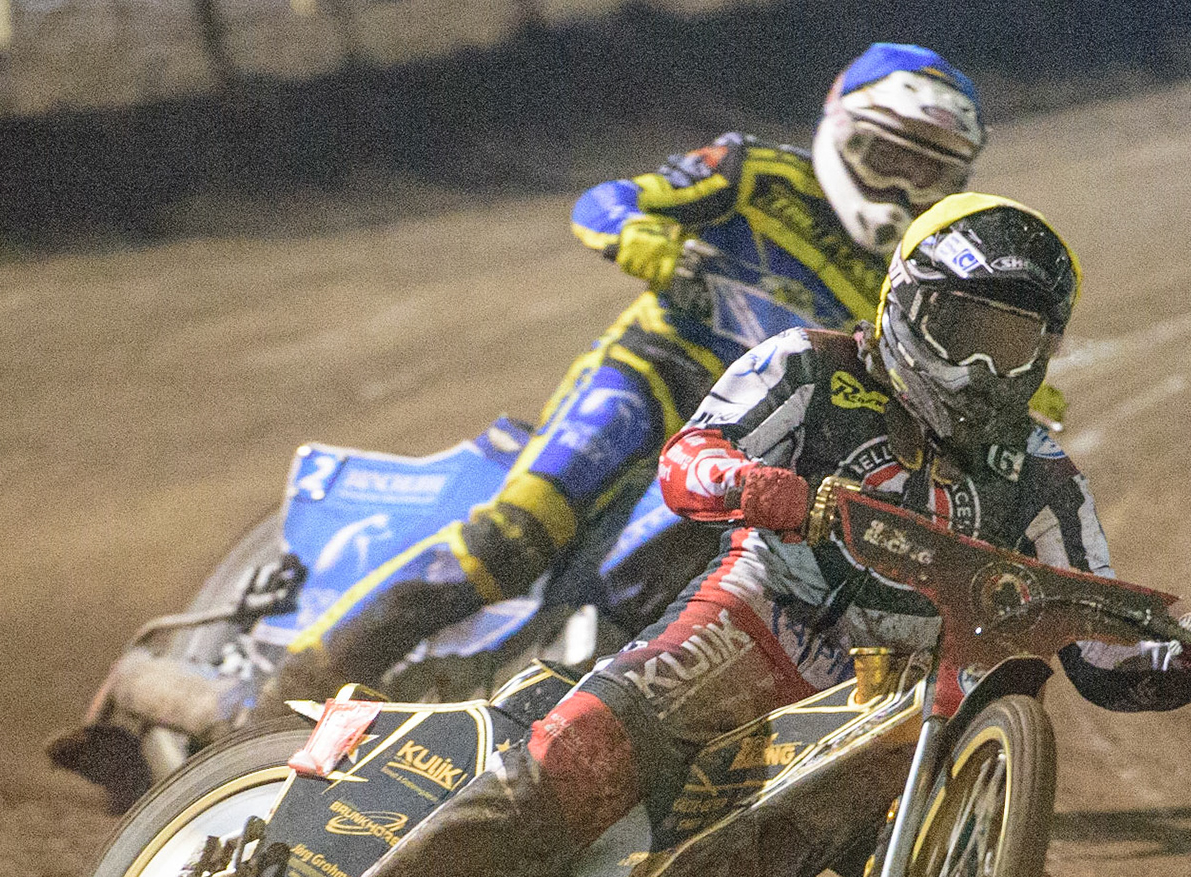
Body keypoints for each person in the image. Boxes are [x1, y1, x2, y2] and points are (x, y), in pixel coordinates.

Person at [267, 194, 1191, 877]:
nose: (979, 366)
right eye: (961, 328)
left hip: (885, 716)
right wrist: (751, 483)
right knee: (577, 756)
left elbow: (1099, 644)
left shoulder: (1043, 474)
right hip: (749, 629)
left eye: (1010, 342)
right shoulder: (812, 369)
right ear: (908, 305)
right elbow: (687, 460)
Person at [264, 43, 997, 704]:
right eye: (888, 158)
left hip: (757, 441)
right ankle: (287, 689)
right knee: (516, 535)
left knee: (719, 598)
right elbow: (605, 200)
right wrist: (639, 232)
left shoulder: (912, 273)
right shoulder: (757, 175)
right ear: (842, 134)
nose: (904, 188)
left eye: (929, 173)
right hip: (653, 376)